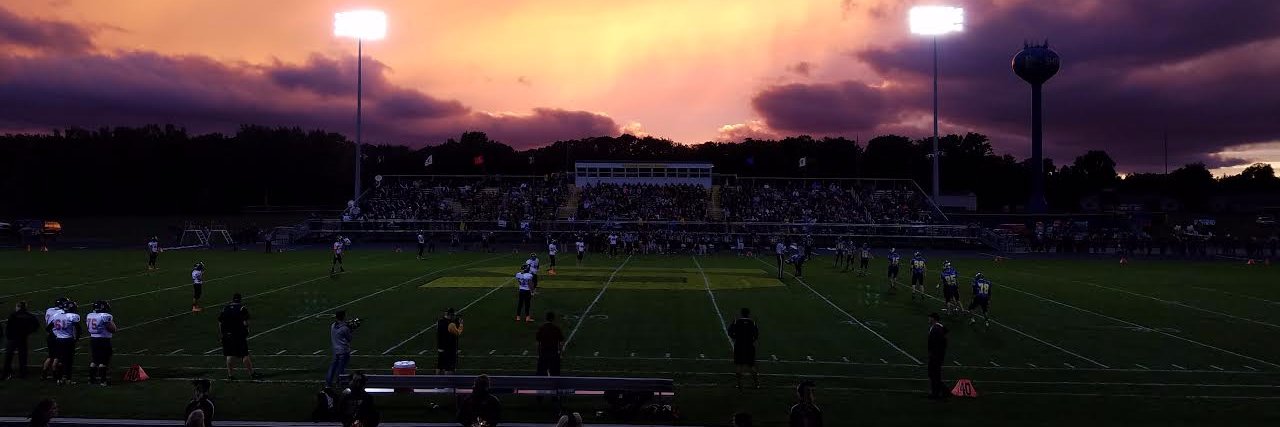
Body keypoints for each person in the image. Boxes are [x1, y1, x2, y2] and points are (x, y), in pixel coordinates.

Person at [217, 293, 257, 380]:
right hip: (238, 334)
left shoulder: (225, 308)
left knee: (229, 354)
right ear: (240, 299)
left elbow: (220, 321)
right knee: (244, 354)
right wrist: (247, 329)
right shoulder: (242, 308)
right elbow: (246, 322)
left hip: (227, 334)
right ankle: (252, 374)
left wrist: (221, 333)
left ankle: (230, 375)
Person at [3, 301, 38, 379]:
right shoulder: (29, 315)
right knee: (22, 356)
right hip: (22, 338)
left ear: (18, 307)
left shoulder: (13, 315)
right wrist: (28, 332)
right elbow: (36, 325)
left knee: (8, 356)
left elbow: (8, 327)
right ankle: (23, 373)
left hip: (12, 338)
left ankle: (5, 373)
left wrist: (8, 336)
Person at [49, 300, 81, 384]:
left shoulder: (57, 315)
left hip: (59, 340)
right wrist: (76, 339)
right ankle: (68, 379)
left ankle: (59, 379)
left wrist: (56, 334)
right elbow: (78, 329)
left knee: (60, 359)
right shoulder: (73, 316)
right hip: (68, 340)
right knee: (68, 360)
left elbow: (48, 328)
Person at [726, 308, 759, 390]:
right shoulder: (752, 322)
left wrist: (735, 337)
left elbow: (729, 331)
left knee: (739, 365)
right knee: (751, 365)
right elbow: (756, 334)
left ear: (741, 313)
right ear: (748, 314)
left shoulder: (736, 321)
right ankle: (756, 384)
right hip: (749, 346)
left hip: (739, 345)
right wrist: (751, 340)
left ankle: (739, 385)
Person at [86, 300, 117, 386]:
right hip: (103, 340)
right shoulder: (105, 316)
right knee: (104, 361)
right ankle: (103, 381)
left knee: (94, 360)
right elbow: (113, 329)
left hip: (93, 339)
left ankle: (91, 379)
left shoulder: (90, 315)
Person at [327, 310, 355, 387]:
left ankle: (328, 382)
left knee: (332, 367)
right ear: (343, 316)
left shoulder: (333, 325)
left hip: (335, 351)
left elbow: (341, 326)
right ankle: (339, 382)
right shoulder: (345, 328)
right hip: (343, 350)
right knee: (341, 368)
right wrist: (351, 329)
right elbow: (349, 338)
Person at [40, 298, 65, 381]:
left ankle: (43, 374)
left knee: (50, 356)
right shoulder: (60, 313)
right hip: (56, 334)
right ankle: (55, 375)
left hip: (50, 335)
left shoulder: (49, 310)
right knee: (57, 356)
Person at [927, 313, 949, 399]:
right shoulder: (938, 327)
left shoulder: (936, 328)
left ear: (933, 319)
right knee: (934, 374)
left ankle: (938, 392)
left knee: (933, 374)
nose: (928, 320)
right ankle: (940, 391)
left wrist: (935, 352)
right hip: (937, 354)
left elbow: (941, 340)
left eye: (929, 318)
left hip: (936, 355)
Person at [535, 311, 564, 377]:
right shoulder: (556, 328)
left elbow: (537, 343)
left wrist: (538, 353)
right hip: (554, 353)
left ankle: (541, 386)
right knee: (555, 375)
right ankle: (555, 386)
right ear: (553, 319)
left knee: (541, 374)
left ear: (546, 318)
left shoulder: (541, 328)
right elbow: (561, 343)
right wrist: (561, 353)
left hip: (543, 353)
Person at [436, 308, 463, 374]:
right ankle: (447, 381)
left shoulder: (439, 322)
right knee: (448, 367)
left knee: (440, 366)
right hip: (449, 348)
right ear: (451, 315)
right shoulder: (451, 324)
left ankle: (436, 379)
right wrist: (461, 325)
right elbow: (458, 333)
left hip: (440, 346)